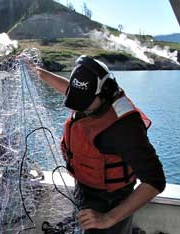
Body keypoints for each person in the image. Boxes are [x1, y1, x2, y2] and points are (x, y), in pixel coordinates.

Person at [27, 55, 166, 233]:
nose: (79, 108)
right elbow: (71, 90)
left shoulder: (124, 128)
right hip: (85, 187)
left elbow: (155, 181)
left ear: (105, 92)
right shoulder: (91, 97)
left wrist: (108, 218)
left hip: (111, 200)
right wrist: (38, 72)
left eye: (84, 104)